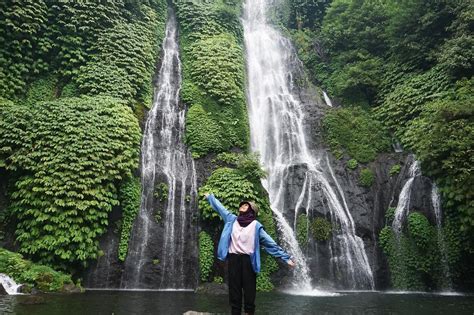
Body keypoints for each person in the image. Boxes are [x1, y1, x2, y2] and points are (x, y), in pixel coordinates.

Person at [204, 193, 295, 315]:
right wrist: (210, 197)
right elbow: (221, 208)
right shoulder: (231, 219)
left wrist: (286, 258)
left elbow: (270, 243)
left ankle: (249, 312)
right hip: (233, 259)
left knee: (249, 291)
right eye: (242, 204)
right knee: (234, 291)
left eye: (246, 205)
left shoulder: (256, 226)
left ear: (252, 210)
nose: (243, 205)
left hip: (248, 261)